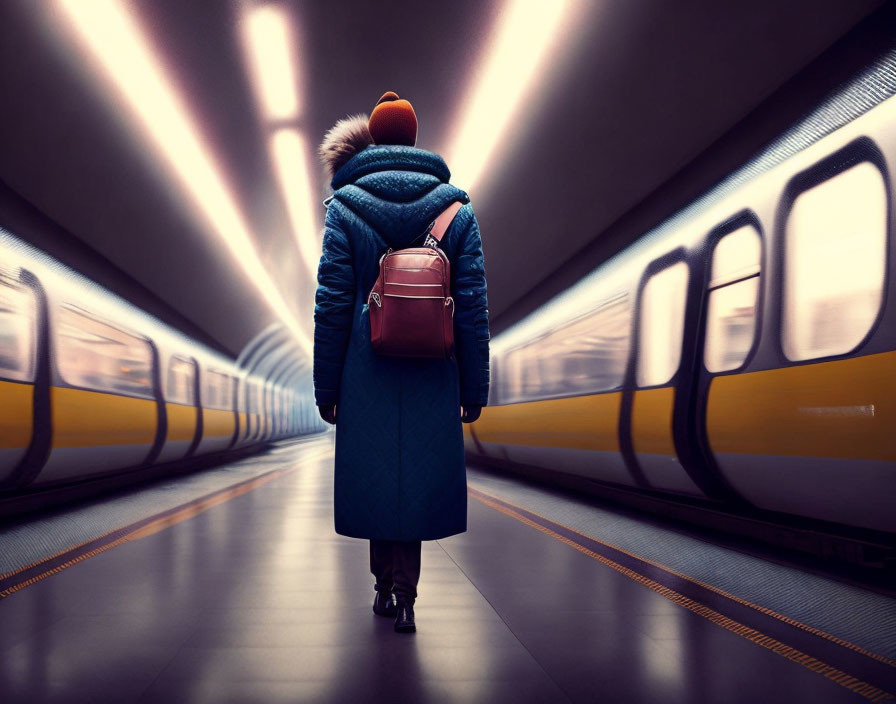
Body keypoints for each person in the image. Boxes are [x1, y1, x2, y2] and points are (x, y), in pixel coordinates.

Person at [314, 91, 490, 633]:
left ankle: (382, 587)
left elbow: (333, 304)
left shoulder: (344, 209)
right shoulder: (456, 211)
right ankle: (408, 594)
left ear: (370, 141)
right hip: (432, 368)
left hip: (365, 370)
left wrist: (328, 387)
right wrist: (474, 387)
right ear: (415, 141)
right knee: (412, 478)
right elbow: (473, 307)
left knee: (376, 477)